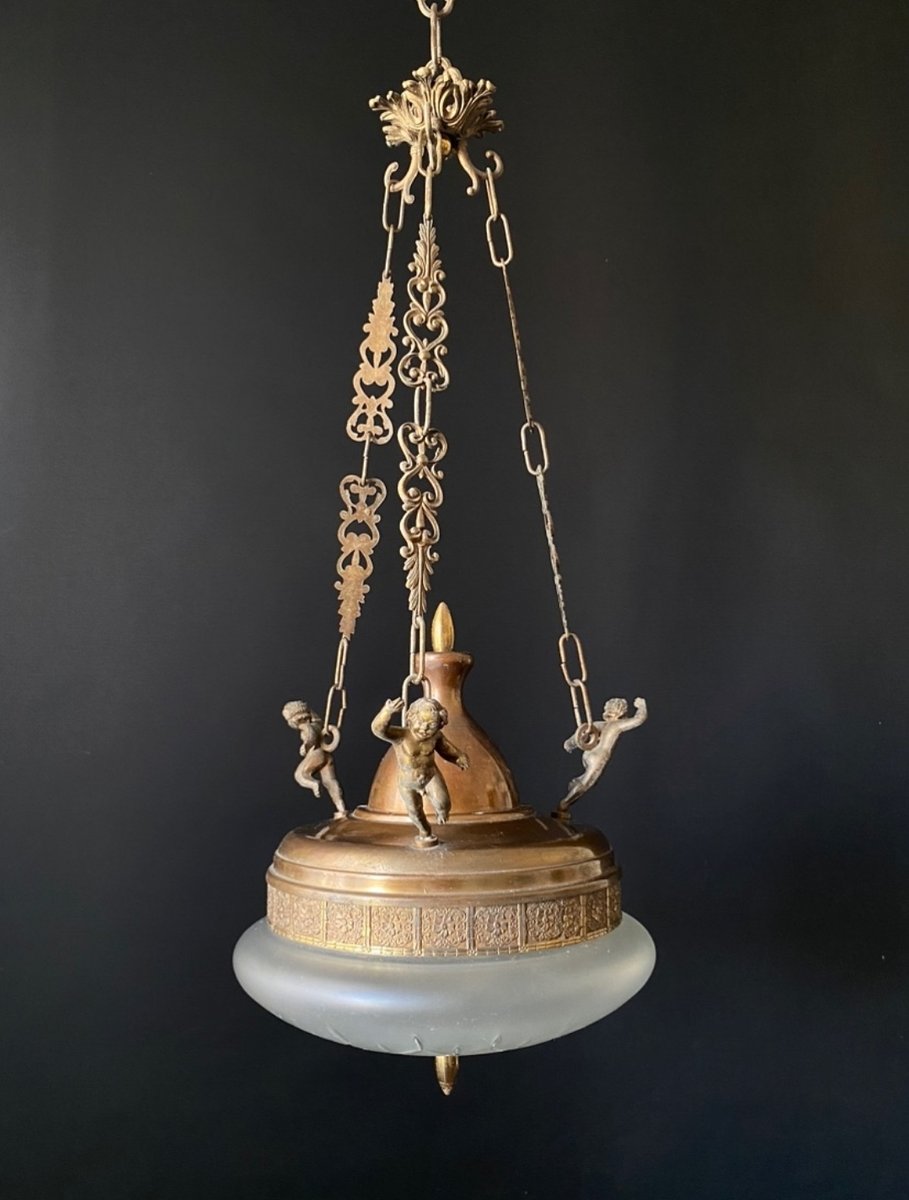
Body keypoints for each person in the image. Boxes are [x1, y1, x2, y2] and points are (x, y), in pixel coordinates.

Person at [371, 696, 469, 846]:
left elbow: (446, 750)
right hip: (407, 783)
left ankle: (442, 812)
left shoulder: (435, 737)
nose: (424, 728)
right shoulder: (401, 736)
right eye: (421, 722)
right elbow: (378, 730)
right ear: (410, 719)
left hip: (430, 776)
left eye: (431, 725)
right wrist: (387, 711)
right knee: (415, 812)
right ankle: (425, 831)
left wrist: (458, 757)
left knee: (443, 803)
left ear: (440, 724)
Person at [556, 696, 647, 818]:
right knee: (586, 783)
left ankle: (576, 783)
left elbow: (583, 731)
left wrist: (570, 743)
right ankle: (564, 803)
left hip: (588, 754)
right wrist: (641, 705)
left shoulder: (599, 724)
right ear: (621, 712)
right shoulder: (617, 725)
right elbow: (639, 719)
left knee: (584, 778)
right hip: (599, 757)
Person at [282, 700, 347, 819]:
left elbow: (311, 736)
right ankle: (341, 808)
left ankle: (313, 784)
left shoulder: (304, 725)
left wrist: (305, 746)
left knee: (300, 775)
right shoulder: (317, 723)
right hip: (326, 756)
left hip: (316, 753)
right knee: (330, 781)